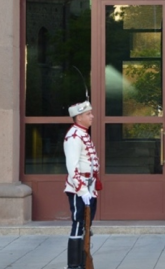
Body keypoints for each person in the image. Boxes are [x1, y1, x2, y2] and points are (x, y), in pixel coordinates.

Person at [63, 100, 100, 269]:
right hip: (80, 188)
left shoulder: (83, 133)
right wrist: (82, 190)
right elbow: (73, 167)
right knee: (78, 223)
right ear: (78, 117)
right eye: (88, 114)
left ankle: (83, 261)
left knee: (86, 224)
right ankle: (73, 265)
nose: (92, 116)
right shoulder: (74, 136)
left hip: (89, 187)